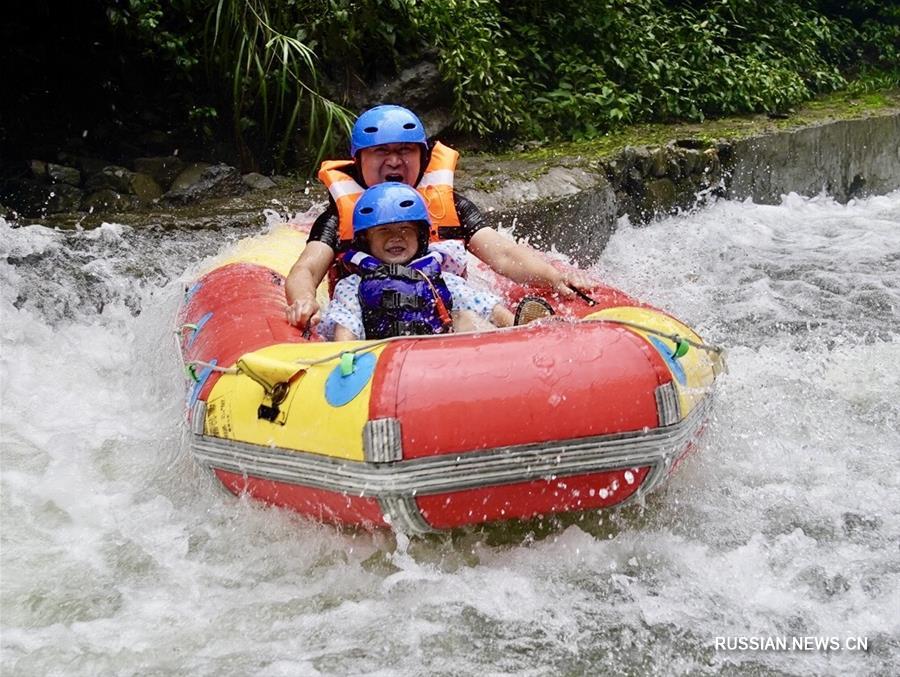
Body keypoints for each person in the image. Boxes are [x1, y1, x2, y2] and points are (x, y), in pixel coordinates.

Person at [284, 104, 593, 330]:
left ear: (423, 157)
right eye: (381, 152)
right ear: (359, 159)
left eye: (406, 150)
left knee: (474, 310)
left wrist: (554, 277)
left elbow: (503, 253)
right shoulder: (339, 217)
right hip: (368, 312)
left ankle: (520, 331)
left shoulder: (451, 207)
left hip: (445, 305)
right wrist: (302, 300)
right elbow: (307, 269)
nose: (394, 161)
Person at [321, 183, 514, 341]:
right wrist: (343, 359)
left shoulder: (441, 278)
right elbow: (346, 327)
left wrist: (520, 327)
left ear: (420, 237)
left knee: (465, 317)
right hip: (382, 359)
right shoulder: (352, 285)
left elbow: (487, 308)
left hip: (440, 357)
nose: (396, 237)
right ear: (365, 240)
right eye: (383, 230)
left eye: (405, 228)